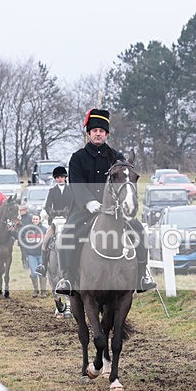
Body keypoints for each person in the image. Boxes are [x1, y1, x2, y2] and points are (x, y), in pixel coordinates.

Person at [54, 108, 156, 296]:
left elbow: (126, 182)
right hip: (84, 210)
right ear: (89, 133)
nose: (98, 134)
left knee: (139, 230)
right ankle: (67, 277)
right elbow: (76, 184)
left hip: (115, 210)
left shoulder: (117, 157)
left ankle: (143, 274)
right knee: (66, 235)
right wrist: (89, 202)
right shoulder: (78, 157)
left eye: (102, 131)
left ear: (106, 134)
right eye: (95, 131)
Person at [34, 165, 72, 277]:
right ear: (55, 179)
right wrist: (52, 212)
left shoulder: (71, 190)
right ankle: (43, 266)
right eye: (57, 177)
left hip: (68, 219)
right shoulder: (52, 191)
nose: (59, 179)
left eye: (61, 177)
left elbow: (73, 204)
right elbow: (47, 206)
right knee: (45, 241)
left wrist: (68, 212)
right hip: (55, 219)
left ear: (65, 177)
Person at [20, 210, 47, 296]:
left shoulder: (44, 230)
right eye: (34, 219)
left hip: (41, 254)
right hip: (31, 254)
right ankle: (36, 290)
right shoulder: (27, 230)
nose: (35, 220)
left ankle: (43, 291)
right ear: (32, 220)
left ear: (40, 220)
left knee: (42, 272)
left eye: (37, 219)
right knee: (33, 272)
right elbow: (22, 241)